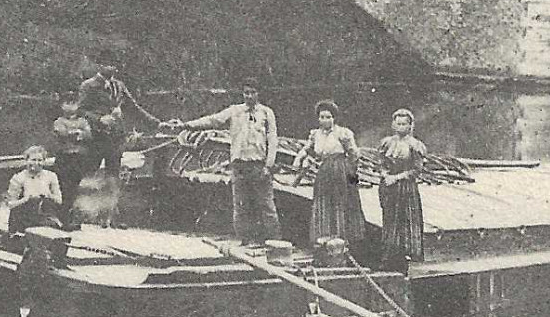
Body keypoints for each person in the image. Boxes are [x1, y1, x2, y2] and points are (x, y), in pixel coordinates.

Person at [166, 79, 281, 244]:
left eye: (252, 92)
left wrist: (268, 166)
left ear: (259, 94)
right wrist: (186, 125)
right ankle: (245, 240)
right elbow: (213, 120)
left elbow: (272, 139)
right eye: (246, 92)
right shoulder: (235, 111)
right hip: (239, 165)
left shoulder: (267, 113)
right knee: (241, 206)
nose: (249, 96)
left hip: (258, 165)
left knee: (266, 205)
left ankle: (274, 242)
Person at [292, 99, 365, 249]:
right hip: (324, 171)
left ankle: (341, 237)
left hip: (341, 169)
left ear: (334, 118)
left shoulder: (343, 133)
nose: (325, 120)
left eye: (328, 117)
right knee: (323, 201)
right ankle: (324, 236)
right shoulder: (315, 134)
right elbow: (307, 149)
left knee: (340, 202)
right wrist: (299, 158)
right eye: (322, 117)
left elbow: (354, 154)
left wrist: (350, 173)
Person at [77, 60, 160, 179]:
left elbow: (133, 107)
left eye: (114, 65)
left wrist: (156, 123)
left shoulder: (119, 85)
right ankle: (87, 196)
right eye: (107, 63)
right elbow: (81, 110)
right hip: (96, 136)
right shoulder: (88, 85)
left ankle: (112, 196)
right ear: (99, 65)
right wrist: (99, 119)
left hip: (116, 136)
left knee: (113, 172)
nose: (111, 67)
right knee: (91, 169)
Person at [374, 108, 427, 268]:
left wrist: (397, 177)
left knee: (404, 220)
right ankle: (389, 254)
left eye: (404, 124)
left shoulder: (415, 145)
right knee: (389, 219)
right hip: (388, 186)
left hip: (405, 188)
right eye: (398, 123)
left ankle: (404, 256)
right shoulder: (387, 143)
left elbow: (416, 170)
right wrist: (385, 175)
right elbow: (380, 162)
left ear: (410, 126)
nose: (401, 127)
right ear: (393, 124)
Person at [49, 91, 93, 226]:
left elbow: (89, 135)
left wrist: (78, 133)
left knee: (74, 187)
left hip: (78, 158)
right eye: (67, 103)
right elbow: (62, 133)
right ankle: (61, 217)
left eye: (73, 103)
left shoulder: (83, 121)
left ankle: (70, 217)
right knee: (62, 185)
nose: (70, 107)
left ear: (78, 105)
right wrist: (77, 133)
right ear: (61, 106)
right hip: (64, 157)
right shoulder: (59, 121)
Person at [5, 146, 62, 234]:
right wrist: (27, 199)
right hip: (22, 218)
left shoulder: (51, 176)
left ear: (44, 161)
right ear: (26, 161)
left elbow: (59, 200)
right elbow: (10, 204)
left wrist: (48, 195)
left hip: (43, 216)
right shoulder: (18, 178)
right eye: (33, 160)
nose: (36, 163)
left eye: (40, 160)